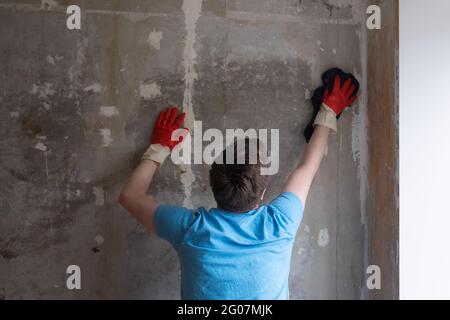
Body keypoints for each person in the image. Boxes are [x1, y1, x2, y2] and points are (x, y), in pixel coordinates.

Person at [119, 75, 358, 299]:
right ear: (262, 194)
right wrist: (328, 111)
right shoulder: (280, 223)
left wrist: (160, 147)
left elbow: (130, 196)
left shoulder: (190, 230)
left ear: (213, 185)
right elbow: (307, 169)